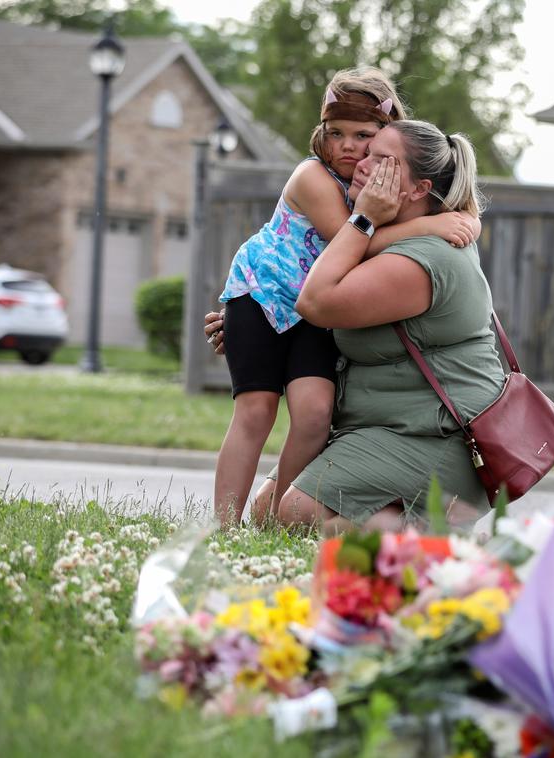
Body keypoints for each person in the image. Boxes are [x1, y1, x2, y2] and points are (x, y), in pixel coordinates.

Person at [212, 69, 480, 529]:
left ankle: (282, 519)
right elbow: (350, 241)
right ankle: (221, 526)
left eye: (367, 140)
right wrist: (428, 225)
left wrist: (455, 218)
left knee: (314, 414)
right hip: (262, 297)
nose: (351, 150)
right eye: (335, 134)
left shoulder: (387, 196)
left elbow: (420, 205)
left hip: (315, 315)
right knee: (255, 412)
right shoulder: (313, 176)